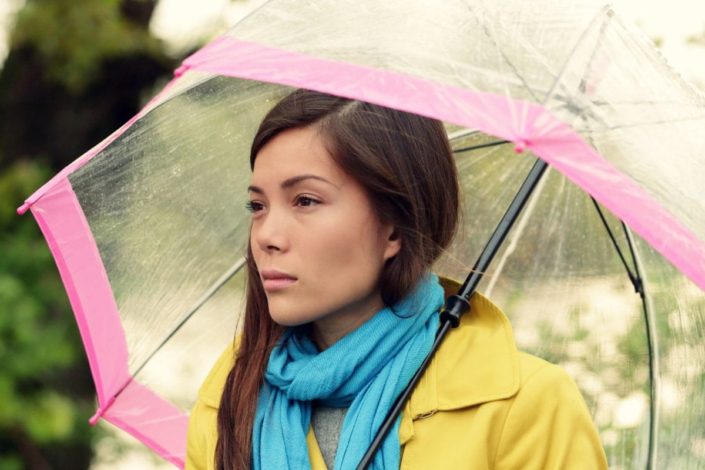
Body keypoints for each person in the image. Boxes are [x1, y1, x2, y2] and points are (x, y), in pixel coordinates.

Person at [185, 89, 608, 470]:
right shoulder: (229, 399)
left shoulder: (524, 407)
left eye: (306, 200)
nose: (267, 237)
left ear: (395, 228)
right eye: (257, 206)